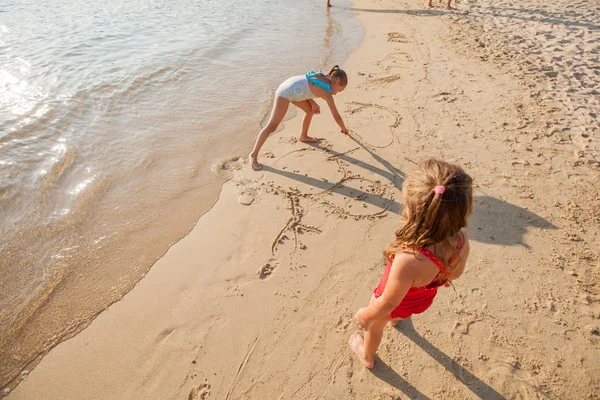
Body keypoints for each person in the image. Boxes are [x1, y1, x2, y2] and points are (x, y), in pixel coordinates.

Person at [349, 158, 473, 368]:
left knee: (375, 326)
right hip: (422, 300)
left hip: (395, 303)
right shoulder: (461, 238)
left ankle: (367, 356)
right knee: (396, 312)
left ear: (410, 211)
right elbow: (454, 274)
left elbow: (387, 302)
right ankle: (396, 319)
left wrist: (367, 315)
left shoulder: (409, 259)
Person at [249, 66, 349, 171]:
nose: (336, 93)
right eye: (339, 90)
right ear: (337, 82)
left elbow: (306, 86)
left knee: (310, 111)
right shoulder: (327, 92)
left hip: (293, 88)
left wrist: (313, 103)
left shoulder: (322, 78)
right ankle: (253, 155)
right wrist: (343, 128)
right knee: (272, 126)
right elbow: (336, 115)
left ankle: (303, 136)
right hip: (285, 92)